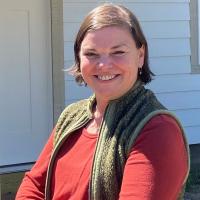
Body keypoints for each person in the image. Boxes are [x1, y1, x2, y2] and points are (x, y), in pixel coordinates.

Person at [16, 3, 190, 200]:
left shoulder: (157, 129)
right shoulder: (72, 116)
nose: (104, 65)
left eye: (118, 52)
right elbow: (34, 185)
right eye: (91, 54)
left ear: (140, 55)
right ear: (79, 60)